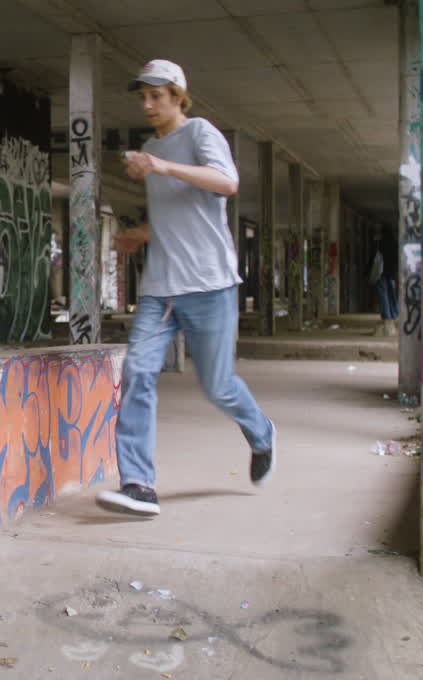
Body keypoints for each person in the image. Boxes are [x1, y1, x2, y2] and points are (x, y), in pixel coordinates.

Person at [96, 59, 276, 517]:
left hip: (210, 285)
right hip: (161, 290)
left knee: (217, 386)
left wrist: (162, 166)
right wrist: (143, 233)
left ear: (179, 96)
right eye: (143, 97)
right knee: (137, 371)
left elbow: (227, 183)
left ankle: (261, 433)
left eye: (158, 95)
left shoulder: (199, 134)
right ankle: (138, 484)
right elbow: (179, 219)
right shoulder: (149, 146)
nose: (149, 104)